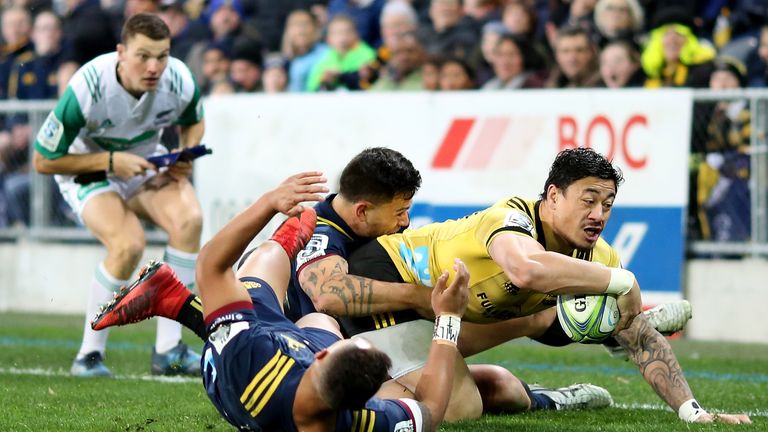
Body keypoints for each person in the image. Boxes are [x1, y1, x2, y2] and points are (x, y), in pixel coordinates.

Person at [93, 147, 615, 420]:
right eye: (400, 212)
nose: (406, 223)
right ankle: (186, 303)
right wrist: (424, 300)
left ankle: (184, 304)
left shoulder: (356, 235)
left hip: (297, 331)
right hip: (312, 338)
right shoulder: (328, 234)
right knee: (463, 400)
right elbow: (328, 293)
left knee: (266, 285)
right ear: (363, 209)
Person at [339, 147, 751, 424]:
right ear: (553, 196)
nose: (599, 214)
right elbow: (526, 270)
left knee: (505, 390)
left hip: (443, 316)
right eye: (588, 200)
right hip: (386, 279)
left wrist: (693, 412)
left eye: (607, 204)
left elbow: (642, 340)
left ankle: (549, 395)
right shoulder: (508, 220)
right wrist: (624, 282)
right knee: (456, 407)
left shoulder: (599, 256)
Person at [97, 171, 472, 431]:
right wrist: (448, 318)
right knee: (322, 322)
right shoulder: (365, 422)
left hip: (253, 354)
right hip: (283, 362)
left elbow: (212, 263)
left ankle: (185, 295)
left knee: (259, 278)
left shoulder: (252, 357)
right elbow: (432, 411)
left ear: (323, 355)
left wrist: (268, 203)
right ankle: (279, 251)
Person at [32, 13, 205, 377]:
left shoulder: (179, 78)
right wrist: (110, 160)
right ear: (121, 53)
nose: (155, 66)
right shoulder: (88, 86)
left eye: (163, 55)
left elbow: (193, 120)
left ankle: (169, 352)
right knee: (128, 244)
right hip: (87, 169)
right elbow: (43, 160)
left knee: (189, 220)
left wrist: (187, 153)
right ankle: (88, 356)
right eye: (143, 56)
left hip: (142, 165)